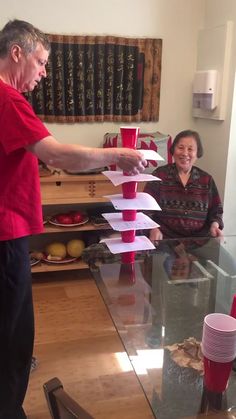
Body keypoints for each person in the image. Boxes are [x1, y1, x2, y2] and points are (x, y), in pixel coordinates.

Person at [0, 19, 147, 419]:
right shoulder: (8, 99)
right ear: (17, 54)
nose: (45, 73)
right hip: (5, 234)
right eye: (42, 62)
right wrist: (117, 155)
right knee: (12, 333)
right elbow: (57, 155)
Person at [144, 129, 224, 241]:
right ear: (173, 150)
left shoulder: (206, 179)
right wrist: (153, 228)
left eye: (190, 149)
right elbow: (145, 209)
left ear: (197, 154)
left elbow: (216, 210)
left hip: (199, 243)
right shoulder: (159, 175)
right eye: (180, 148)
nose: (185, 153)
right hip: (165, 241)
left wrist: (214, 225)